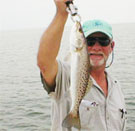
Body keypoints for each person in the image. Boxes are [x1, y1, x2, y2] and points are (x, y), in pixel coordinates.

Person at [37, 0, 127, 130]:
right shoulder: (66, 75)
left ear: (111, 46)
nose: (96, 47)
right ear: (83, 43)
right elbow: (44, 63)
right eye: (90, 41)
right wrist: (61, 13)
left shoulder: (116, 87)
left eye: (103, 41)